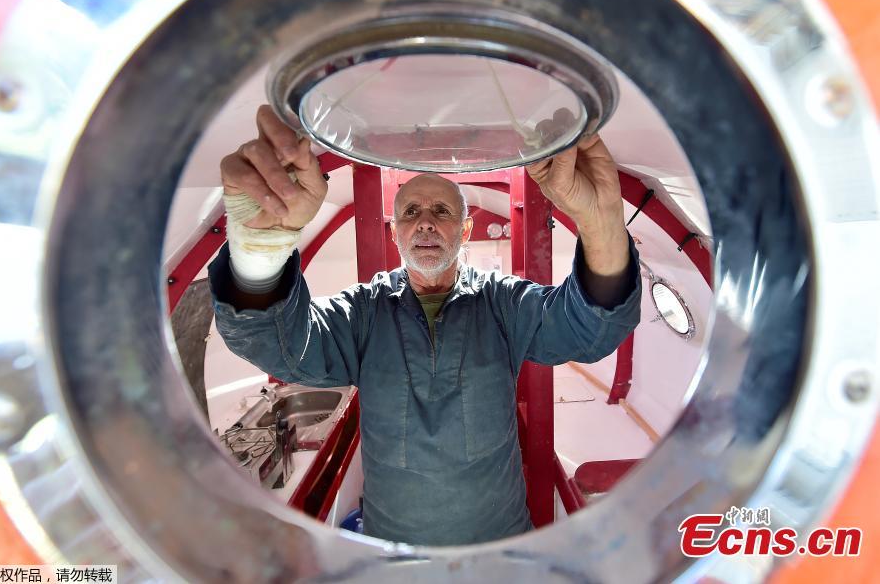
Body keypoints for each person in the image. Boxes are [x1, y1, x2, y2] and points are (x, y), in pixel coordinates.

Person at [208, 105, 642, 545]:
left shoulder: (503, 303)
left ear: (466, 230)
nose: (426, 222)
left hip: (500, 554)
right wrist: (261, 246)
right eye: (411, 212)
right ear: (394, 231)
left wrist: (599, 219)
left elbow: (590, 329)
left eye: (442, 211)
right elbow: (277, 346)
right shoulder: (364, 312)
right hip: (395, 559)